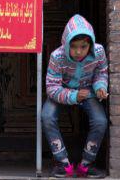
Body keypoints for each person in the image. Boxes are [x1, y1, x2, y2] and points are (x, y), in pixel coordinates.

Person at [42, 14, 108, 178]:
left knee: (100, 121)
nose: (78, 52)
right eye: (74, 46)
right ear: (66, 44)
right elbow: (51, 88)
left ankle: (87, 164)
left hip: (88, 91)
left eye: (83, 47)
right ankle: (63, 163)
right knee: (47, 116)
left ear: (90, 45)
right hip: (62, 92)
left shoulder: (98, 52)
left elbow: (101, 73)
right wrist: (74, 96)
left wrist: (100, 87)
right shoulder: (57, 57)